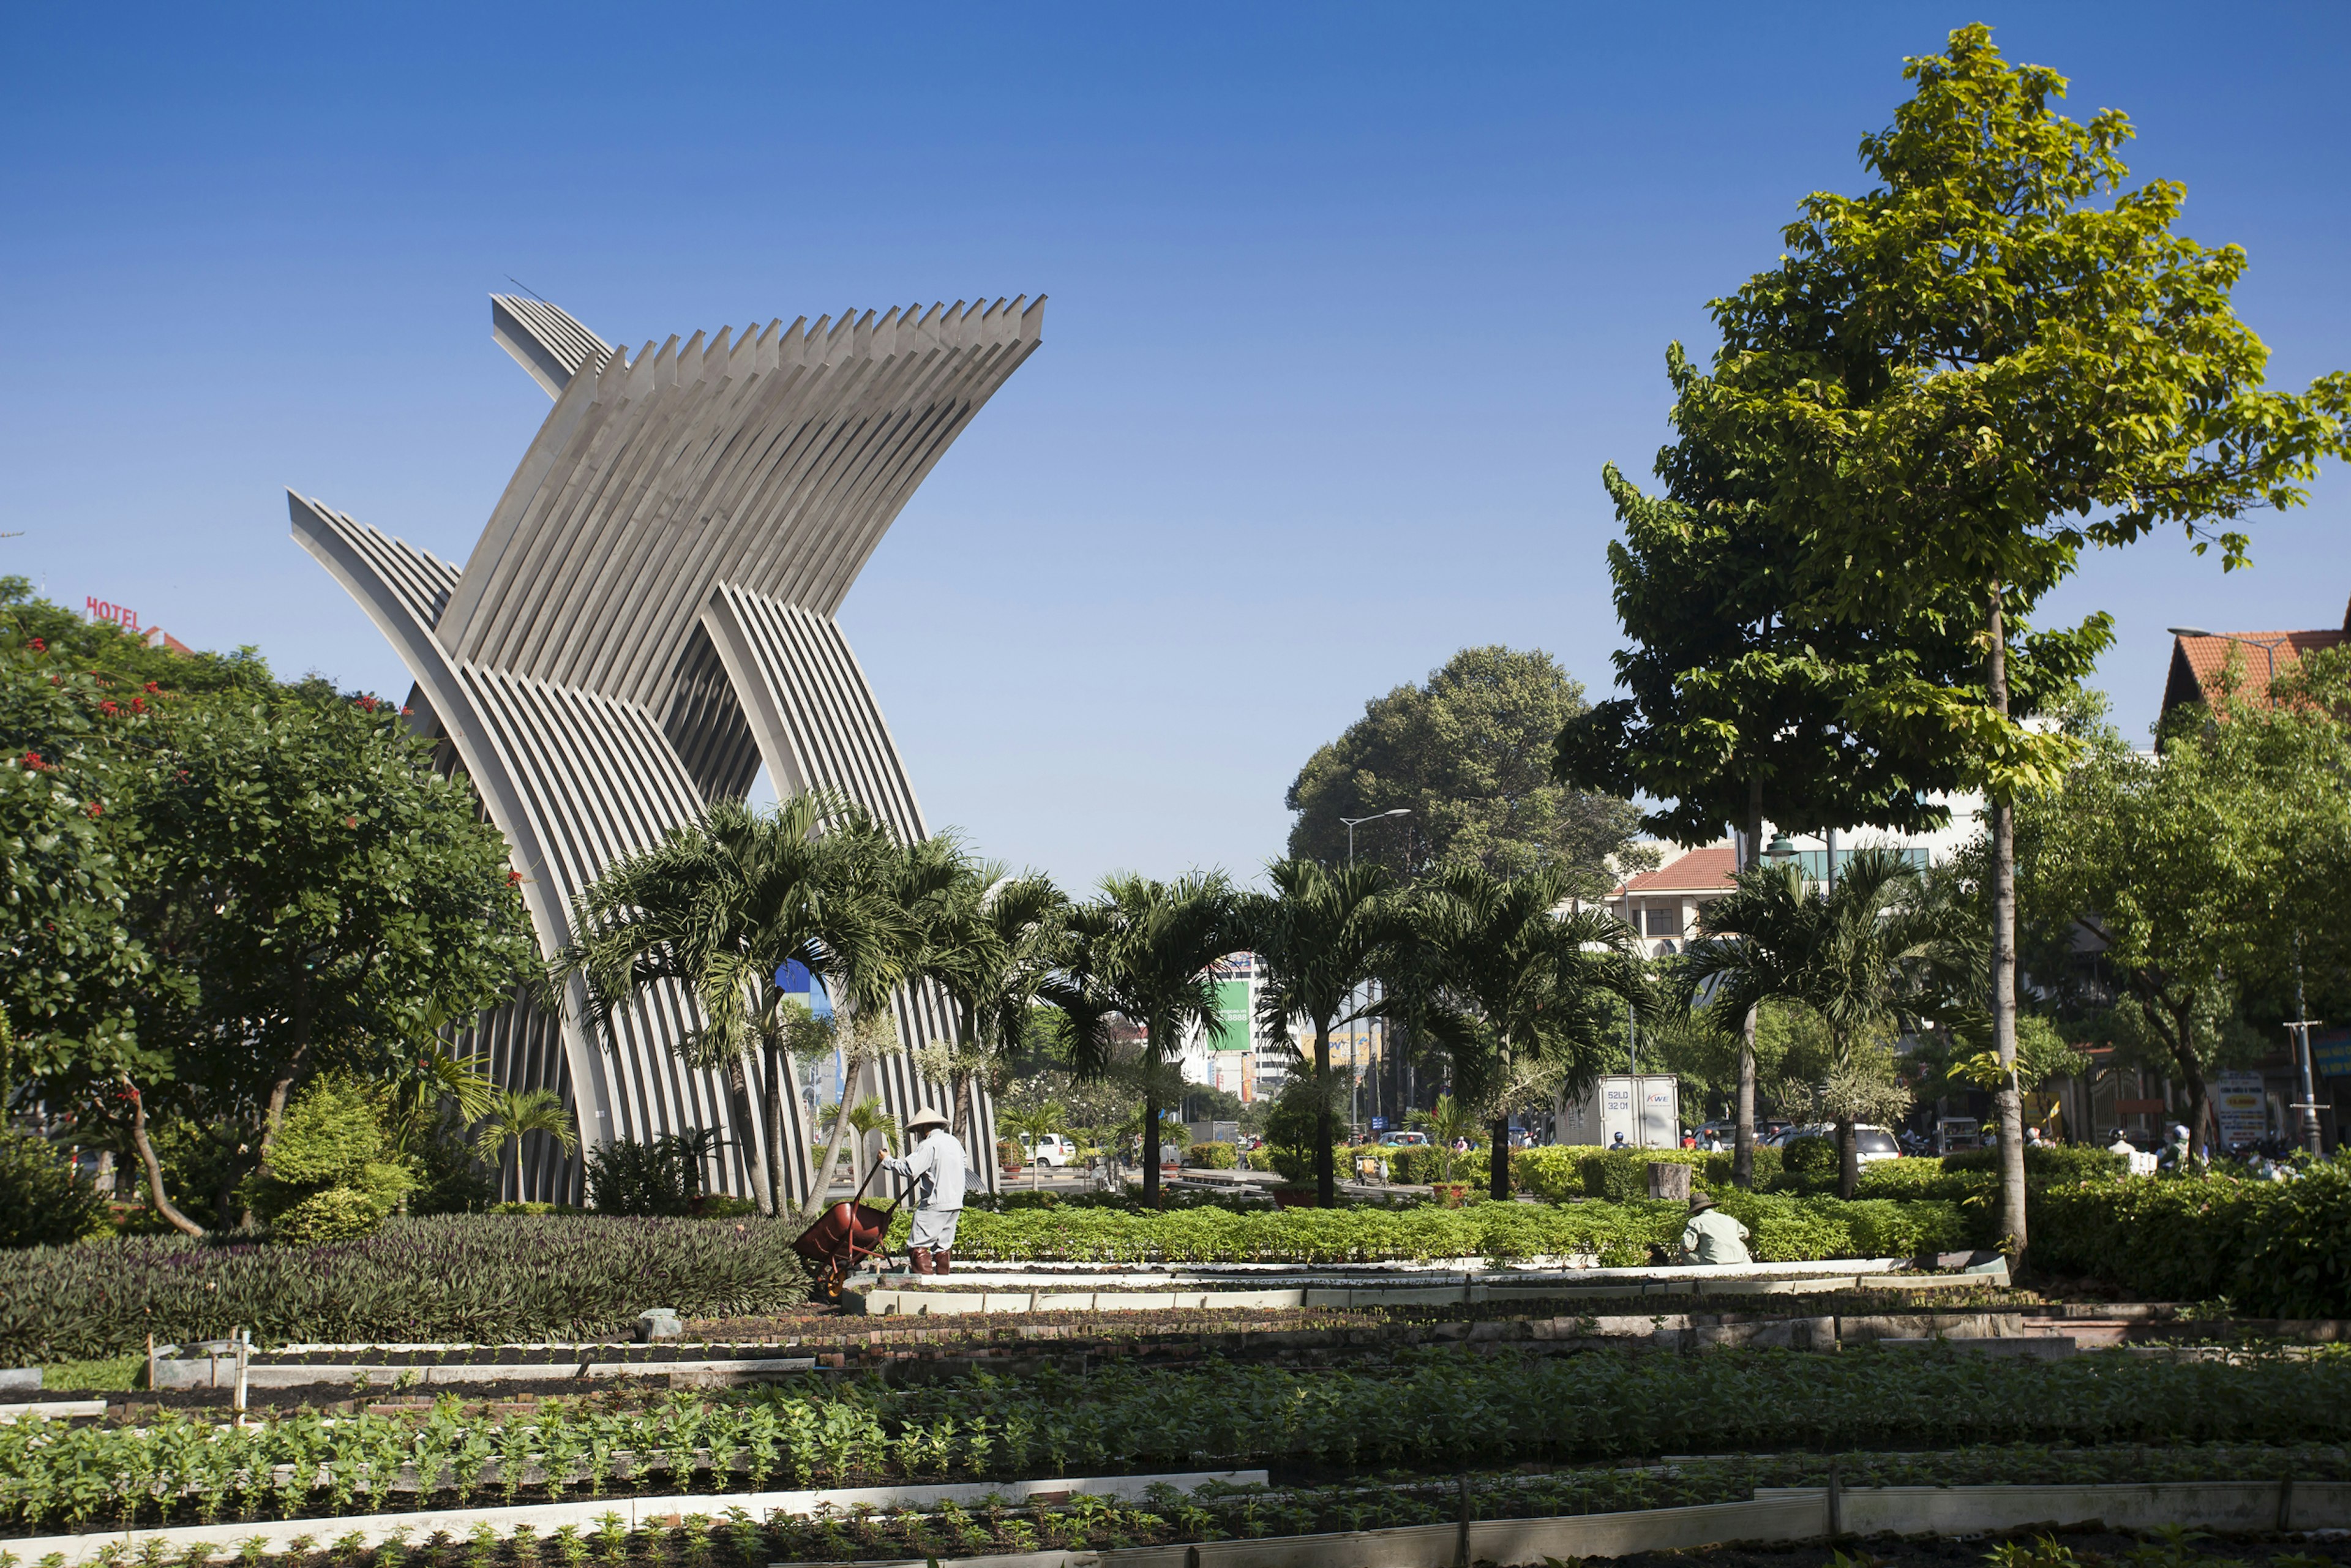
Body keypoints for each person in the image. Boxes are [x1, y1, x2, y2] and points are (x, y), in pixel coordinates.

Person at [881, 1106, 967, 1275]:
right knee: (943, 1246)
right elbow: (963, 1165)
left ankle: (924, 1285)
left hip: (935, 1202)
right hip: (955, 1201)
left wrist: (887, 1160)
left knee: (917, 1245)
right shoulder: (954, 1142)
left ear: (925, 1127)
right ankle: (942, 1284)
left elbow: (910, 1169)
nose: (919, 1133)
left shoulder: (928, 1145)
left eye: (919, 1129)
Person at [1679, 1193, 1752, 1266]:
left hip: (1715, 1263)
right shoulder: (1728, 1219)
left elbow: (1687, 1247)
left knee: (1683, 1251)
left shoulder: (1696, 1222)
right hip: (1742, 1261)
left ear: (1695, 1211)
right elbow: (1746, 1235)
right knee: (1738, 1242)